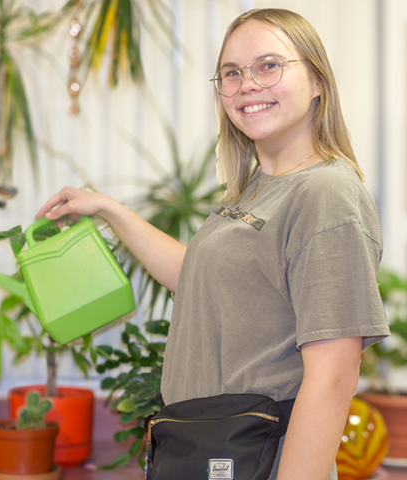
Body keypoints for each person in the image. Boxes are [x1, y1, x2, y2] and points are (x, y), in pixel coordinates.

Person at [35, 8, 390, 480]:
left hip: (257, 459)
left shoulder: (325, 195)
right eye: (231, 73)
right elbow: (203, 282)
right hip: (203, 448)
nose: (247, 84)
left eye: (269, 65)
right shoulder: (258, 189)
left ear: (318, 79)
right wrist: (109, 210)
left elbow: (333, 376)